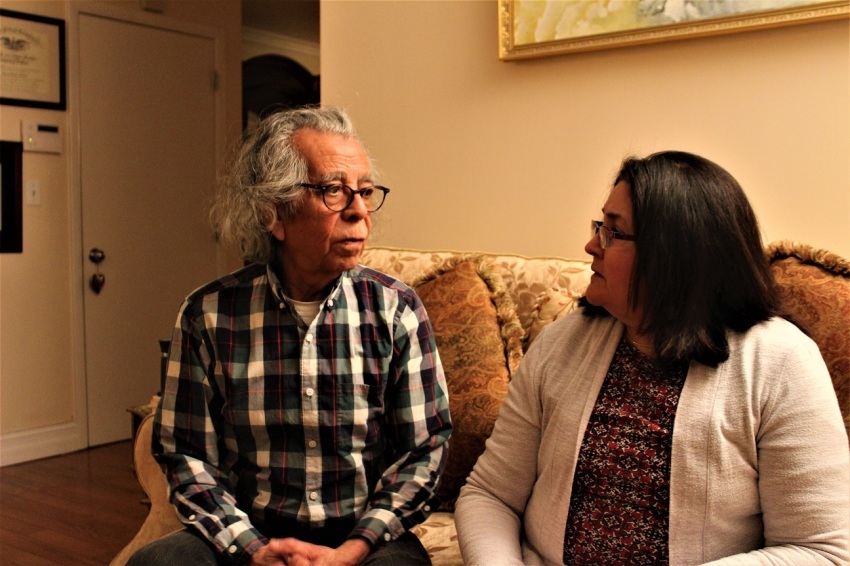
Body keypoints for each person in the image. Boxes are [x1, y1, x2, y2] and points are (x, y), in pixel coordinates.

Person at [455, 151, 849, 564]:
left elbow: (819, 550)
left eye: (613, 233)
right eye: (598, 227)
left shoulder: (781, 362)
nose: (591, 245)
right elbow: (490, 494)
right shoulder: (560, 344)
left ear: (674, 255)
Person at [128, 106, 451, 566]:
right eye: (334, 191)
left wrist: (351, 551)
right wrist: (253, 549)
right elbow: (187, 455)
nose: (360, 212)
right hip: (250, 529)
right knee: (156, 563)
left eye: (364, 191)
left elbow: (425, 451)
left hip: (363, 537)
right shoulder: (209, 314)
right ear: (272, 213)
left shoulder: (397, 310)